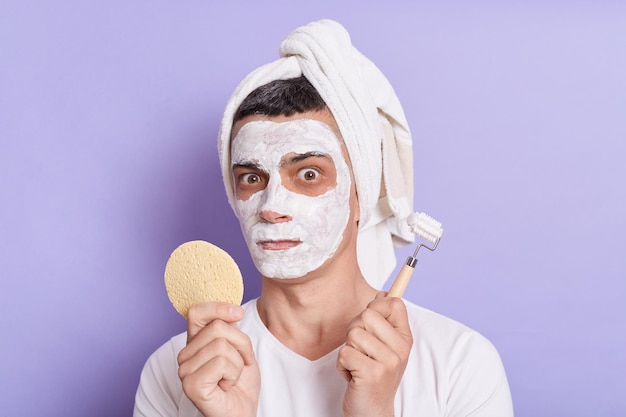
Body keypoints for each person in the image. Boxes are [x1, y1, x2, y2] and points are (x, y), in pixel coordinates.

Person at [134, 19, 514, 417]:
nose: (270, 205)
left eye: (309, 174)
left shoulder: (460, 364)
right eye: (251, 177)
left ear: (360, 193)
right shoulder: (178, 370)